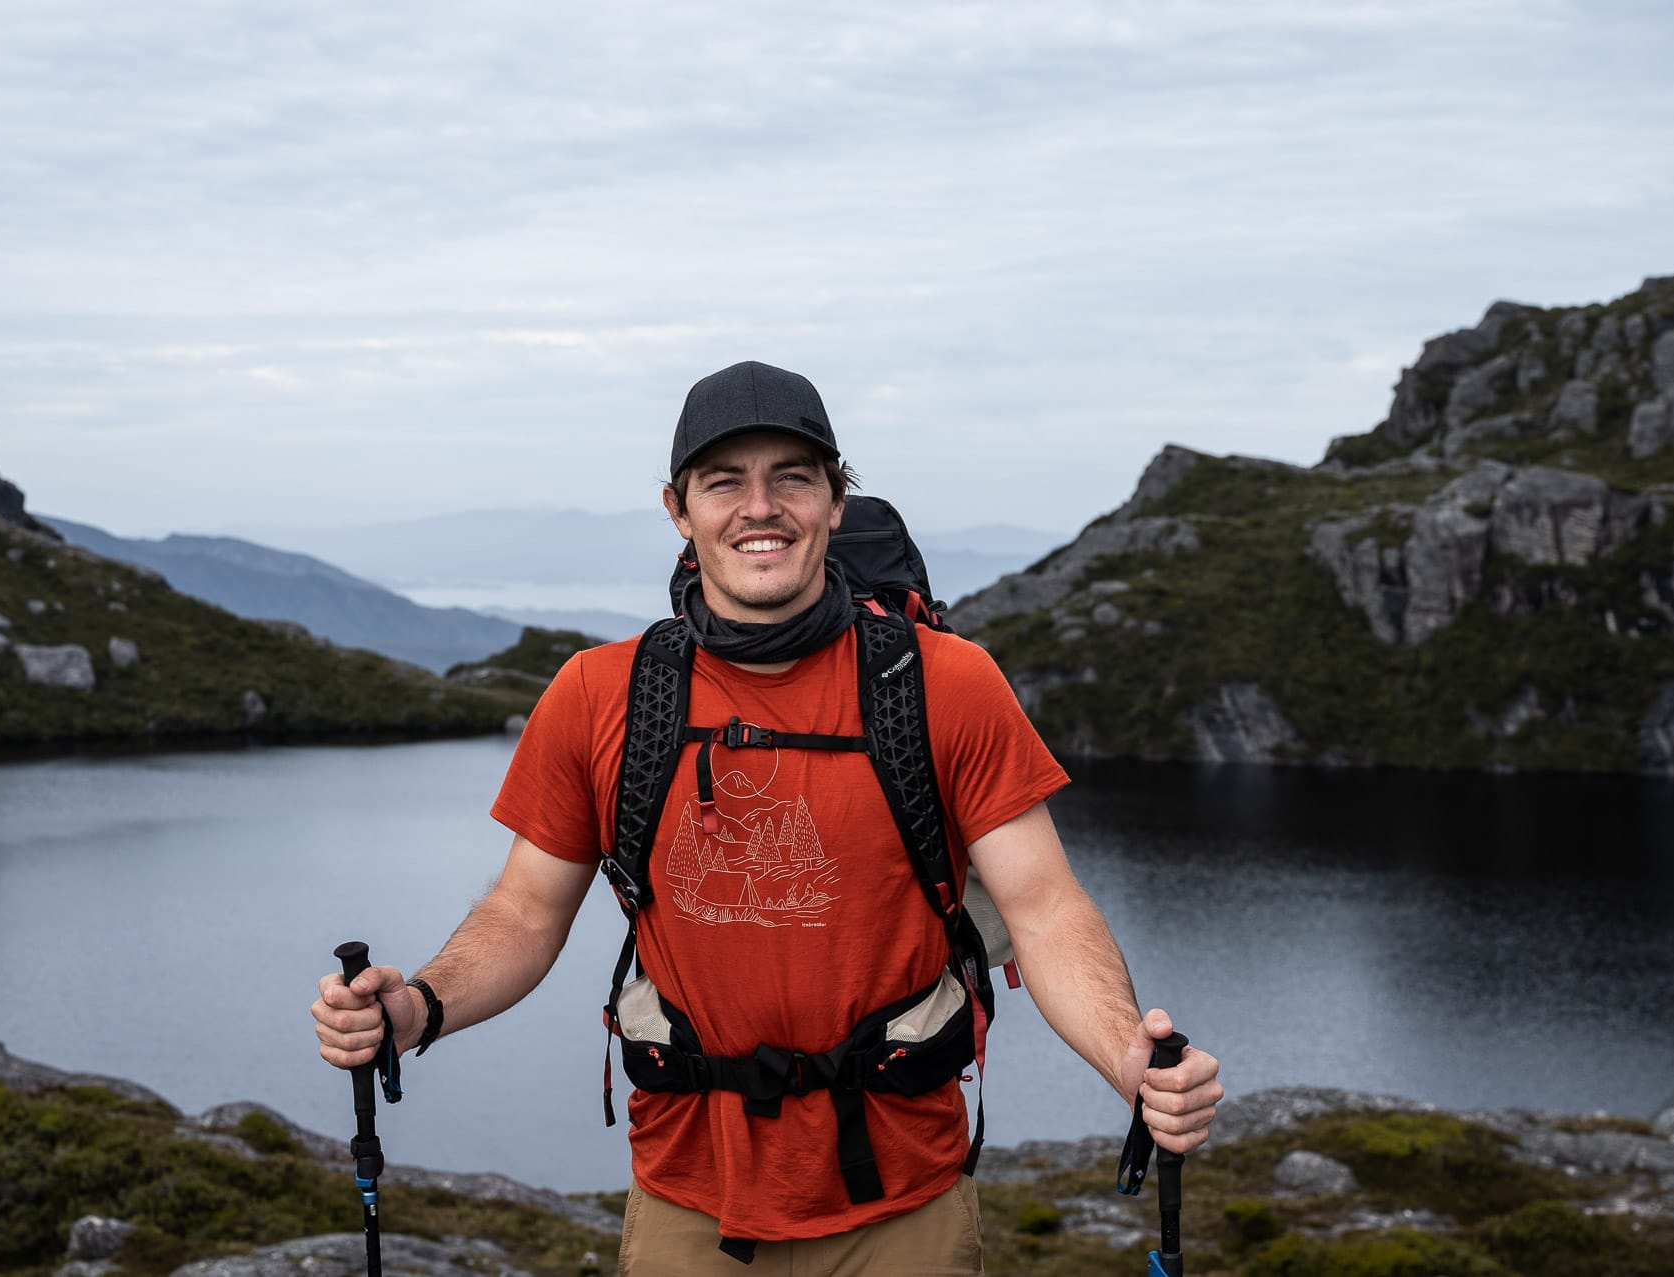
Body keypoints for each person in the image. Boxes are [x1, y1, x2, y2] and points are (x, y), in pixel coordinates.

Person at [313, 360, 1222, 1275]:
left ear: (834, 498)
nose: (760, 507)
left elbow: (1046, 910)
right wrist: (417, 1006)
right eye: (724, 483)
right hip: (689, 1201)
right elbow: (525, 911)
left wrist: (1129, 1064)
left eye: (792, 476)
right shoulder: (599, 695)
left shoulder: (945, 684)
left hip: (904, 1201)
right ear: (679, 509)